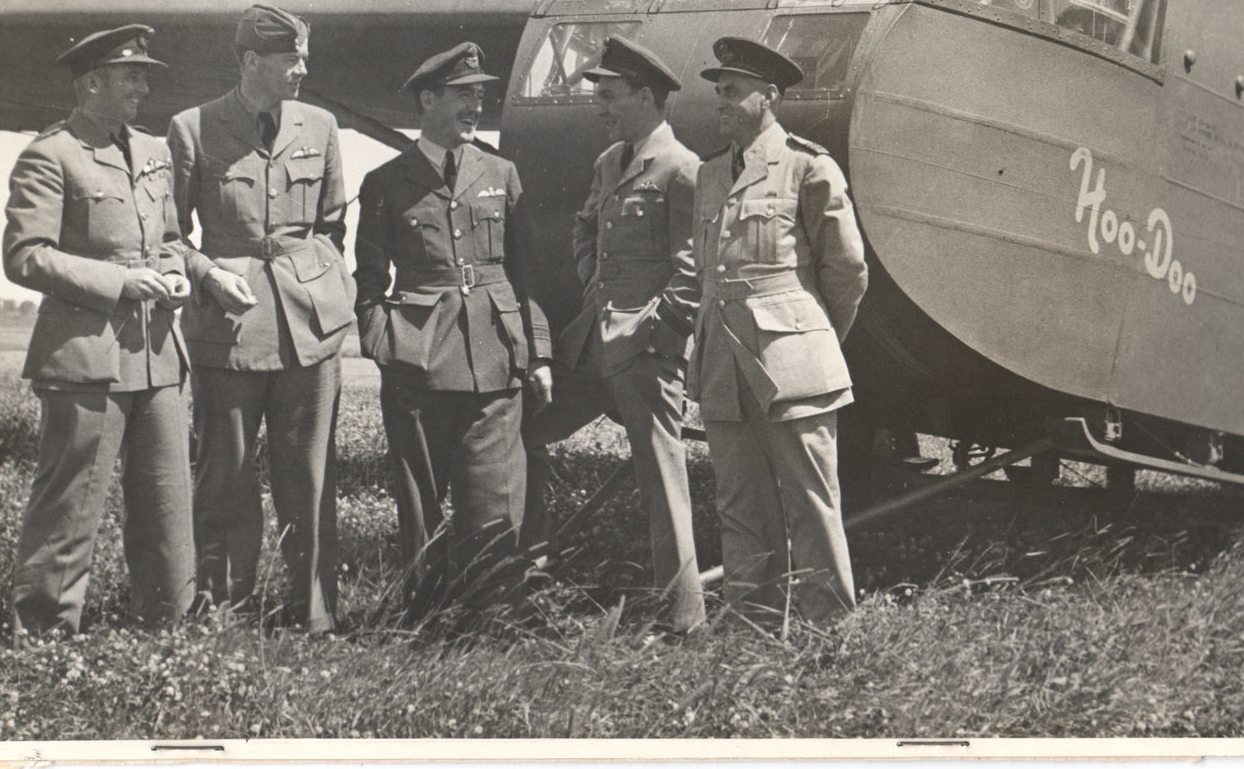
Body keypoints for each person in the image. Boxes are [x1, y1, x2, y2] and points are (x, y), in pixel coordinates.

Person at [167, 4, 355, 633]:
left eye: (304, 56)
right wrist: (208, 274)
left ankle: (314, 614)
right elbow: (170, 235)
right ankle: (224, 610)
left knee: (309, 474)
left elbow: (331, 225)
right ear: (251, 61)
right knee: (225, 472)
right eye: (290, 58)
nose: (302, 69)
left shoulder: (321, 125)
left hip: (310, 327)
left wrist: (323, 283)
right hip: (230, 325)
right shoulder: (193, 128)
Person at [3, 24, 194, 639]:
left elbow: (168, 240)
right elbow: (26, 254)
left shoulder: (155, 150)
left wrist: (174, 273)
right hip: (84, 356)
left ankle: (167, 631)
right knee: (70, 503)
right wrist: (120, 284)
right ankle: (45, 637)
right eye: (131, 75)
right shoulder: (49, 154)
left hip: (159, 355)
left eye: (144, 75)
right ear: (92, 84)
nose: (143, 86)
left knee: (168, 500)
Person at [353, 42, 552, 605]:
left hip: (495, 354)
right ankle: (427, 615)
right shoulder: (386, 182)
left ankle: (496, 612)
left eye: (480, 96)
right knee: (421, 500)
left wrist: (537, 352)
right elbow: (368, 279)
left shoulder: (501, 172)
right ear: (428, 99)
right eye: (464, 96)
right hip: (417, 359)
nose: (476, 107)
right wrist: (382, 340)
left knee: (495, 494)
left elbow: (524, 272)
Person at [521, 35, 705, 634]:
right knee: (522, 432)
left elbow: (695, 267)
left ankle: (683, 618)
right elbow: (584, 229)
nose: (599, 106)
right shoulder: (611, 162)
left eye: (609, 95)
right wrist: (597, 286)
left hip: (645, 350)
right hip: (591, 346)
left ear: (646, 97)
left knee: (661, 477)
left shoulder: (683, 170)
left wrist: (658, 329)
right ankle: (529, 578)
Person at [690, 36, 869, 629]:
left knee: (811, 506)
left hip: (791, 366)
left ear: (768, 97)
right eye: (718, 90)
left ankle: (829, 637)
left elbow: (845, 271)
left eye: (733, 90)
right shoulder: (710, 175)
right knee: (740, 508)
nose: (721, 100)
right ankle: (752, 635)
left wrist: (811, 340)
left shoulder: (807, 165)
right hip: (723, 367)